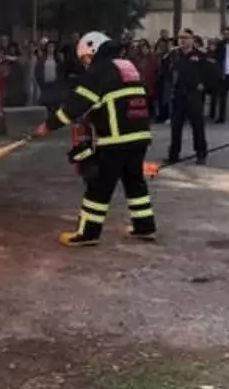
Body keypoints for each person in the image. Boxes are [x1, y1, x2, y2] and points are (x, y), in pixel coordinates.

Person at [32, 31, 155, 247]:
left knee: (98, 186)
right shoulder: (127, 66)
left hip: (116, 139)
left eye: (87, 58)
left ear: (94, 49)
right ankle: (144, 227)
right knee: (135, 183)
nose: (86, 64)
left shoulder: (100, 70)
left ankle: (87, 233)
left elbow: (77, 105)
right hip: (140, 135)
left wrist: (48, 125)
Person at [167, 30, 212, 165]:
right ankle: (174, 153)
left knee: (197, 126)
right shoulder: (174, 54)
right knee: (176, 126)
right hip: (178, 93)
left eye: (186, 38)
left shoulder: (200, 55)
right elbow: (165, 68)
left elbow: (211, 71)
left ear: (192, 39)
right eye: (181, 38)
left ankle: (201, 153)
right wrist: (171, 81)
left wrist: (204, 85)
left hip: (194, 94)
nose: (183, 40)